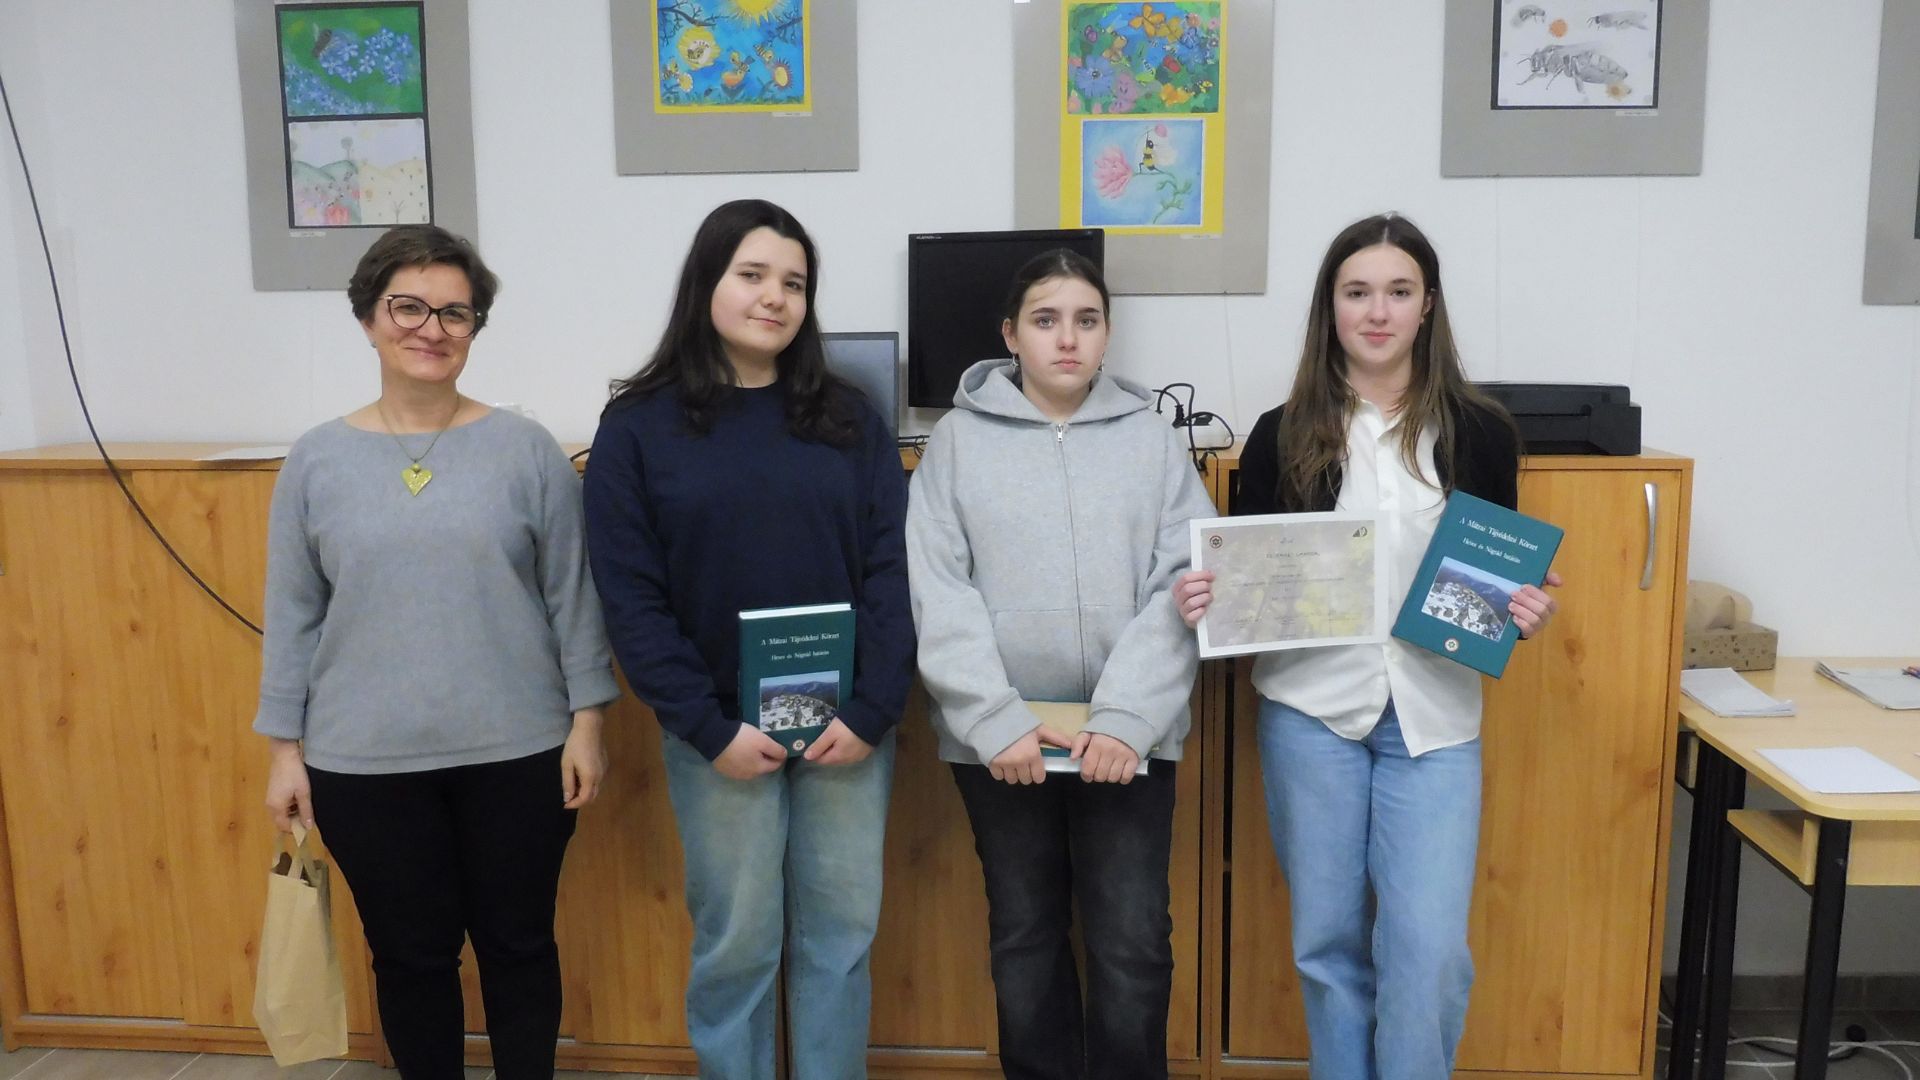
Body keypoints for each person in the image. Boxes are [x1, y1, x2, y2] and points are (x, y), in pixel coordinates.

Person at [1174, 213, 1561, 1080]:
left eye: (1398, 291)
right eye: (1357, 293)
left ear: (1428, 306)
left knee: (1429, 952)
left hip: (1435, 717)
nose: (1377, 312)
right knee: (1328, 946)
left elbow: (1492, 577)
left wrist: (1521, 607)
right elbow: (1251, 583)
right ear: (1332, 307)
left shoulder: (1481, 433)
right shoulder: (1281, 431)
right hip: (1311, 714)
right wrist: (1208, 597)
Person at [256, 224, 618, 1080]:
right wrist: (284, 751)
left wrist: (589, 723)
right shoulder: (316, 460)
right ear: (368, 318)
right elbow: (293, 613)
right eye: (409, 307)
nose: (432, 329)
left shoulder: (527, 450)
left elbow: (572, 594)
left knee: (519, 945)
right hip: (363, 762)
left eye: (456, 313)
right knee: (410, 958)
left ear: (475, 327)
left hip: (520, 751)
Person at [581, 199, 913, 1080]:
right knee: (737, 943)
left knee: (841, 935)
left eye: (794, 283)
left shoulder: (851, 419)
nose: (775, 297)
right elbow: (631, 597)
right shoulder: (637, 427)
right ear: (707, 282)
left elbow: (893, 570)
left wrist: (875, 709)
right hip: (719, 734)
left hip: (848, 730)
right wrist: (706, 726)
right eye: (753, 275)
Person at [907, 248, 1215, 1080]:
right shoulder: (955, 444)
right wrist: (994, 719)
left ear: (1108, 333)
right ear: (1011, 334)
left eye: (1086, 320)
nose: (1067, 339)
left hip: (1128, 742)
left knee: (1132, 941)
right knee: (1025, 934)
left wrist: (1126, 720)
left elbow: (1184, 583)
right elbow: (939, 591)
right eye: (1046, 321)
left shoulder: (1154, 441)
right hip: (1006, 744)